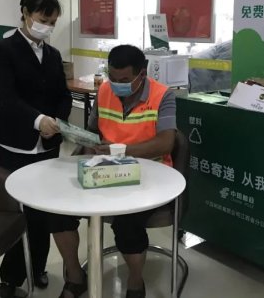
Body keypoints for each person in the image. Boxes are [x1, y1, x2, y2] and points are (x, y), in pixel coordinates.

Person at [49, 44, 177, 298]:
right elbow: (93, 132)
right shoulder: (104, 90)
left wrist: (122, 150)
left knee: (127, 225)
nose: (117, 84)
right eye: (113, 77)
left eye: (125, 80)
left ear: (142, 74)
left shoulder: (163, 95)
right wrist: (87, 150)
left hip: (149, 177)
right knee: (58, 213)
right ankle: (75, 277)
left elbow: (166, 143)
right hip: (104, 171)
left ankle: (135, 282)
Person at [0, 0, 72, 298]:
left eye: (52, 22)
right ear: (25, 13)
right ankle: (10, 277)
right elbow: (7, 97)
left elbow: (63, 95)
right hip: (15, 141)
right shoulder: (3, 50)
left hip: (49, 142)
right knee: (19, 210)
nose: (47, 27)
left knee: (43, 210)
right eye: (42, 19)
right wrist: (38, 120)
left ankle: (37, 267)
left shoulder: (52, 54)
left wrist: (58, 121)